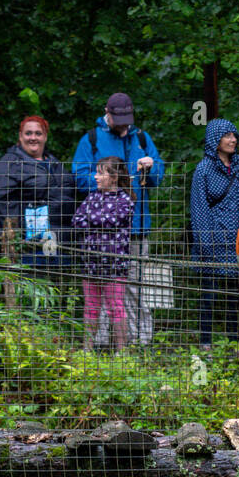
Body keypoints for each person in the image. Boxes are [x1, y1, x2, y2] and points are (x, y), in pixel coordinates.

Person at [72, 92, 166, 346]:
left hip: (135, 231)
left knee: (134, 287)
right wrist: (110, 181)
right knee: (100, 290)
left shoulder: (142, 138)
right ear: (107, 112)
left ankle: (139, 342)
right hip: (99, 237)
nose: (123, 124)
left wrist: (151, 166)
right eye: (118, 119)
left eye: (127, 118)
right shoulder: (91, 140)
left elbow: (159, 175)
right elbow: (79, 178)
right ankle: (102, 343)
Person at [189, 119, 239, 347]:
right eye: (227, 135)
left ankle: (235, 345)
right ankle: (206, 344)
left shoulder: (237, 167)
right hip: (213, 244)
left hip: (237, 242)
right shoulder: (203, 169)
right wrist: (206, 244)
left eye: (234, 135)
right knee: (209, 297)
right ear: (216, 140)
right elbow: (199, 208)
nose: (233, 139)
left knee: (234, 298)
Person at [0, 115, 76, 273]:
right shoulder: (11, 163)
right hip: (29, 242)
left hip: (58, 240)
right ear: (20, 136)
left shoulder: (53, 162)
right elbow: (4, 203)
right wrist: (15, 239)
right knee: (30, 287)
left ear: (45, 136)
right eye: (28, 133)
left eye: (38, 133)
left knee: (56, 292)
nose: (33, 138)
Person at [71, 157, 136, 352]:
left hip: (115, 265)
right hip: (90, 263)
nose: (96, 177)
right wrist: (100, 221)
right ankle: (87, 350)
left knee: (116, 308)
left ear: (114, 177)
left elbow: (114, 220)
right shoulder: (92, 197)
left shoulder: (126, 200)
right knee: (90, 308)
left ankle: (121, 352)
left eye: (101, 172)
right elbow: (76, 221)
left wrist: (93, 220)